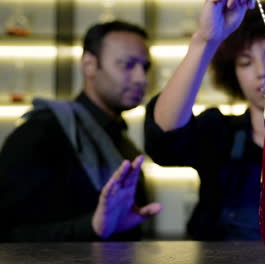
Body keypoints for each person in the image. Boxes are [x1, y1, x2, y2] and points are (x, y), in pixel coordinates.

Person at [144, 0, 265, 240]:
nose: (262, 71)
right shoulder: (219, 131)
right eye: (245, 62)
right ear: (233, 75)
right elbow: (164, 139)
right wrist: (206, 40)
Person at [0, 20, 161, 242]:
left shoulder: (121, 141)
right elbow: (9, 235)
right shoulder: (41, 133)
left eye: (145, 67)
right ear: (89, 65)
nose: (141, 79)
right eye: (127, 64)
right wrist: (92, 227)